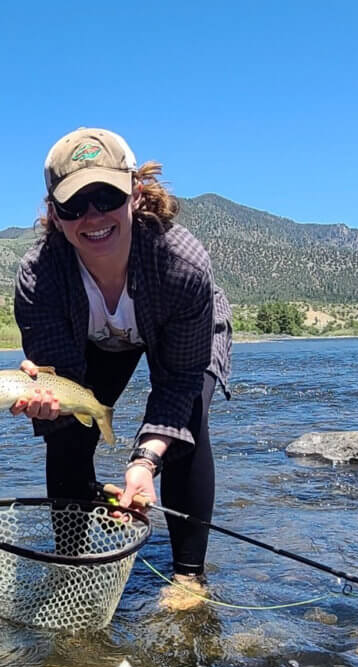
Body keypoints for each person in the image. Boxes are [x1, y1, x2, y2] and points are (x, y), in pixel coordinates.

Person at [13, 127, 232, 607]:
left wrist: (144, 460)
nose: (92, 217)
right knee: (69, 431)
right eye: (74, 205)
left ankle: (189, 579)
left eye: (106, 196)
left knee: (188, 423)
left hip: (184, 330)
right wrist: (52, 406)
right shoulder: (40, 276)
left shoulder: (181, 264)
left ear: (134, 193)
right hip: (94, 342)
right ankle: (71, 563)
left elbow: (176, 383)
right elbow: (64, 386)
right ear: (54, 213)